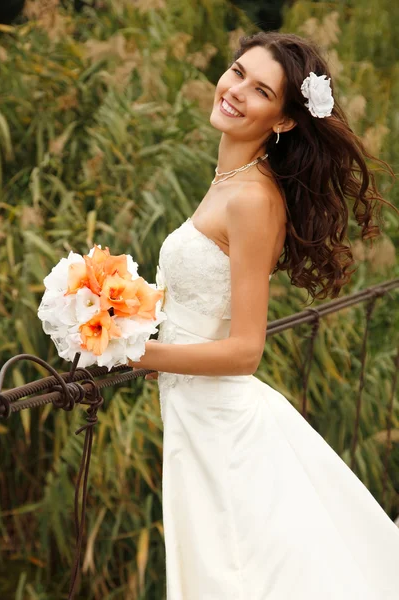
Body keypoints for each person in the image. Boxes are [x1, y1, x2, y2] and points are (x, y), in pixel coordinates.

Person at [129, 32, 399, 599]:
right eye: (236, 72)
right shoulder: (229, 183)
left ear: (281, 121)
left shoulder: (251, 198)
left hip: (224, 431)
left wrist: (134, 352)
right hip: (194, 419)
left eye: (260, 90)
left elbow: (246, 350)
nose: (235, 91)